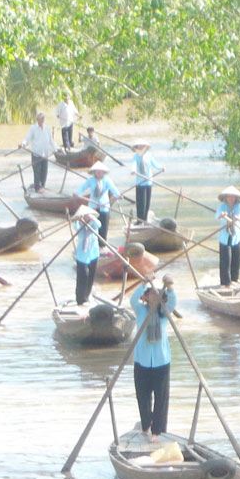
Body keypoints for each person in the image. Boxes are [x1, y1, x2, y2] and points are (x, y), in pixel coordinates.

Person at [131, 275, 177, 442]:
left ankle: (157, 432)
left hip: (161, 361)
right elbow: (133, 299)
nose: (153, 296)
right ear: (147, 296)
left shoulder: (164, 311)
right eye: (151, 293)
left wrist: (170, 287)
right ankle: (146, 426)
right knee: (142, 396)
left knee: (161, 397)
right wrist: (144, 283)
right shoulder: (140, 310)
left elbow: (173, 301)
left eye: (157, 293)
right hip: (142, 360)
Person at [76, 161, 120, 242]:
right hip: (93, 206)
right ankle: (93, 243)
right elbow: (83, 187)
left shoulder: (107, 180)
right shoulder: (91, 180)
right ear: (94, 172)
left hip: (104, 206)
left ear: (103, 172)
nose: (99, 173)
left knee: (103, 226)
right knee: (92, 225)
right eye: (97, 171)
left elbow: (113, 188)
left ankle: (102, 244)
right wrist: (76, 193)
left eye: (100, 171)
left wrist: (118, 195)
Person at [216, 186, 240, 286]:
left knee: (236, 259)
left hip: (236, 237)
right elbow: (217, 216)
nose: (231, 199)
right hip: (224, 237)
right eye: (229, 197)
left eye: (233, 197)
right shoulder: (222, 206)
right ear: (226, 197)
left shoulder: (239, 206)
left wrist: (237, 218)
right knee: (225, 259)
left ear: (236, 198)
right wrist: (222, 215)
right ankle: (225, 283)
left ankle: (234, 280)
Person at [72, 206, 101, 304]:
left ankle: (87, 296)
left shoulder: (94, 224)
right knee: (82, 277)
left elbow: (99, 224)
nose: (86, 217)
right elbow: (75, 226)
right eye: (84, 216)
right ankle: (80, 299)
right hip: (82, 255)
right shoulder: (80, 225)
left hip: (93, 254)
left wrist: (92, 218)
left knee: (91, 276)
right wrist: (78, 220)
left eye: (87, 215)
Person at [20, 111, 55, 191]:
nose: (42, 120)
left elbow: (51, 140)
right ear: (37, 119)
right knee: (37, 172)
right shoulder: (33, 128)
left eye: (43, 118)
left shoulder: (46, 129)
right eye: (41, 119)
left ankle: (42, 186)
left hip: (45, 155)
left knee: (44, 172)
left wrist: (56, 149)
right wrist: (23, 144)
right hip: (36, 154)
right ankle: (37, 187)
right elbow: (27, 138)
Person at [131, 141, 163, 222]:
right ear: (137, 148)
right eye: (139, 146)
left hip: (148, 181)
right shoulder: (136, 157)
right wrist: (133, 171)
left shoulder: (149, 156)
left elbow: (155, 165)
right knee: (140, 202)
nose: (141, 148)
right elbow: (134, 165)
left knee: (147, 202)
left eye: (142, 146)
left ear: (145, 147)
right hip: (140, 183)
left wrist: (161, 168)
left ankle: (145, 220)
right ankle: (139, 220)